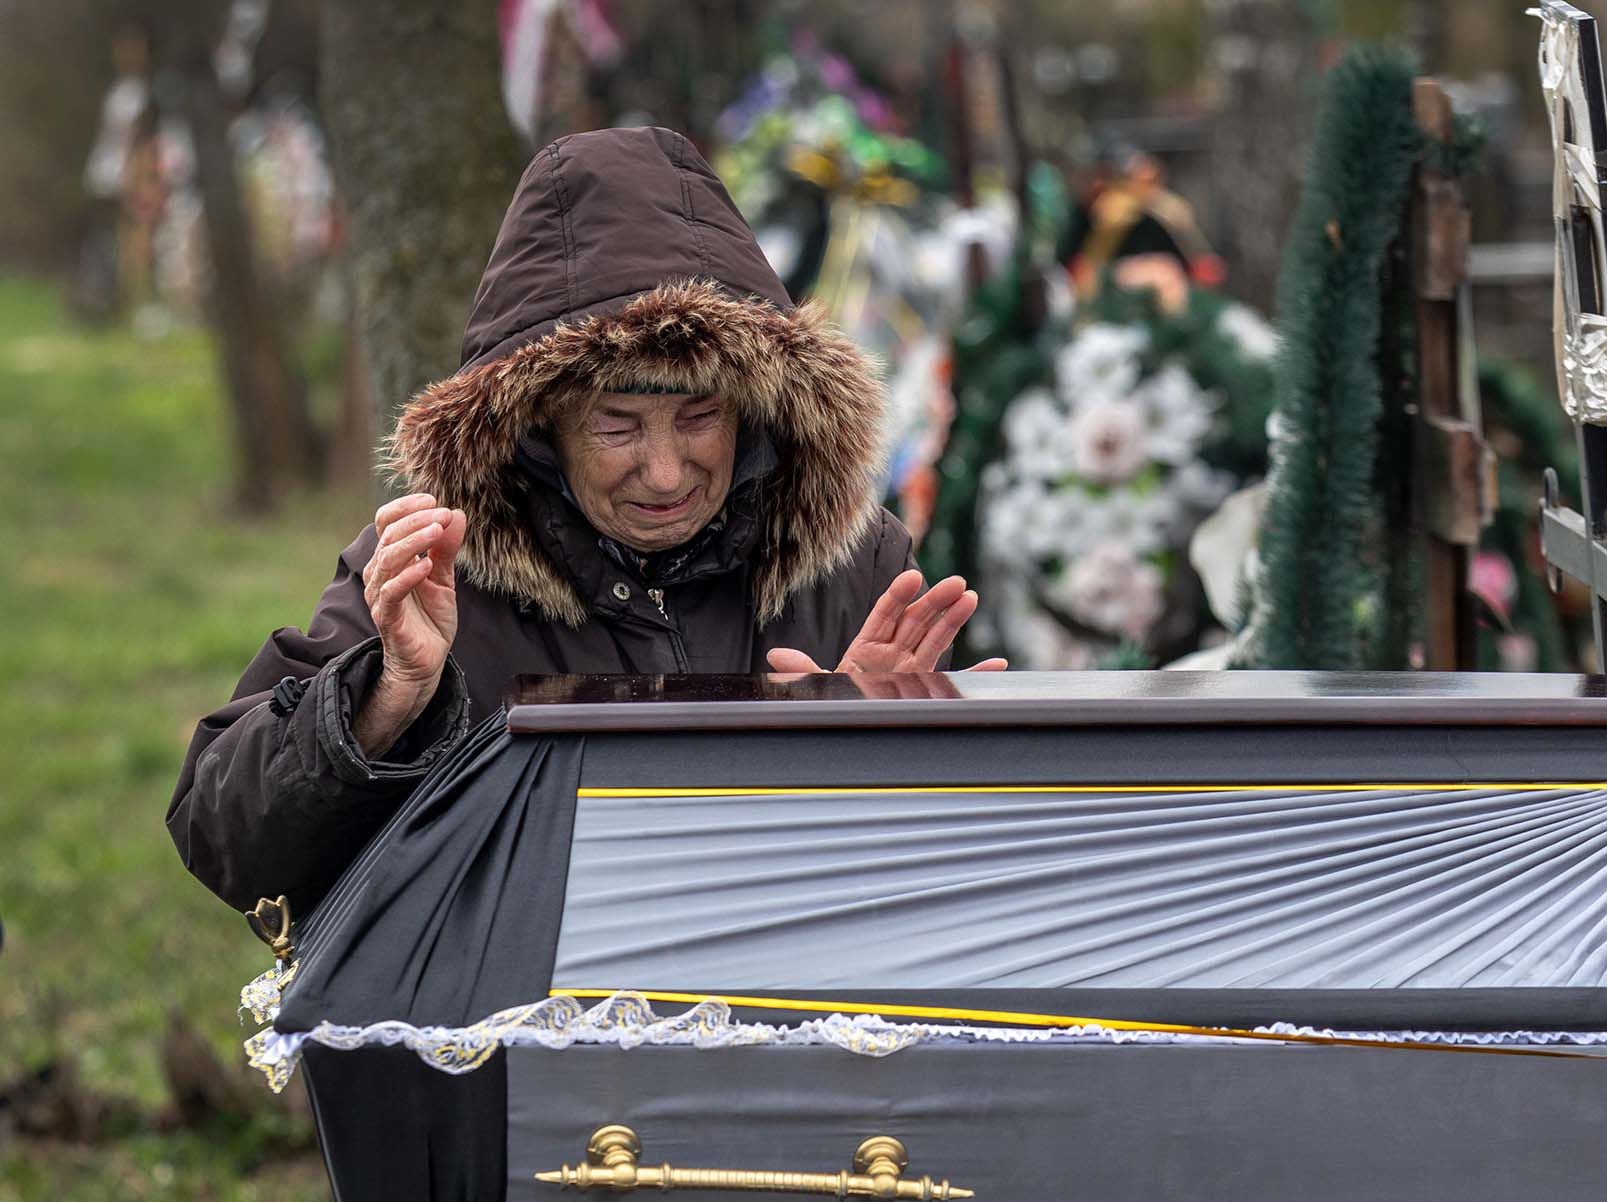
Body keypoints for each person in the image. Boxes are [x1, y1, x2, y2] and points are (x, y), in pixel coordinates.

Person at [168, 127, 1002, 917]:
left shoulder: (856, 564)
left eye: (699, 416)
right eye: (617, 426)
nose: (668, 471)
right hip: (516, 1046)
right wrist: (385, 699)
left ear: (753, 408)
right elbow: (227, 844)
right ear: (539, 427)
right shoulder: (431, 574)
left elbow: (932, 885)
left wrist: (892, 753)